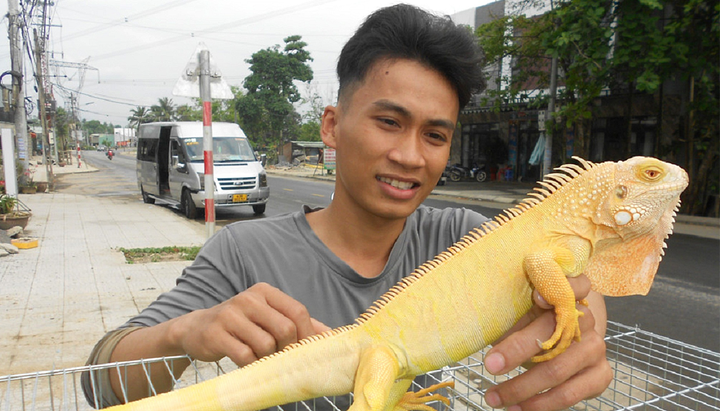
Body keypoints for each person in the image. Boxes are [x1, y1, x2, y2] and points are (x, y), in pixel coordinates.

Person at [82, 4, 611, 410]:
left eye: (434, 134)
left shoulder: (462, 237)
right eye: (389, 122)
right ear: (332, 125)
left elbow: (561, 284)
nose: (409, 156)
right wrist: (183, 333)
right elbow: (98, 382)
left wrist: (582, 323)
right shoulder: (243, 252)